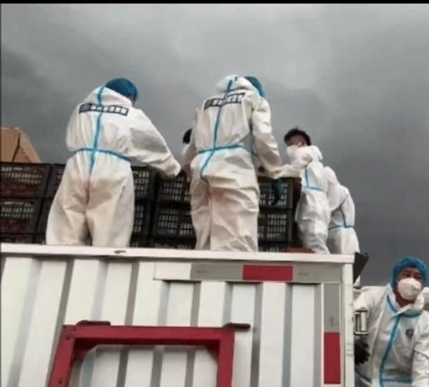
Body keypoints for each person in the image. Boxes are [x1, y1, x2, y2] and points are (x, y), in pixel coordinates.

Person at [46, 78, 181, 247]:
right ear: (129, 97)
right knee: (109, 230)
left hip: (78, 166)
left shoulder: (80, 110)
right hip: (112, 170)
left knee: (66, 226)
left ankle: (59, 260)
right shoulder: (132, 115)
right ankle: (105, 262)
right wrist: (172, 169)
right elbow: (153, 146)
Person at [183, 75, 285, 251]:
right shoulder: (253, 99)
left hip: (201, 168)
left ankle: (206, 268)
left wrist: (187, 169)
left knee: (205, 237)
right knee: (238, 239)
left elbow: (192, 145)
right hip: (233, 168)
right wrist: (275, 172)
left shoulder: (206, 103)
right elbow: (263, 137)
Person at [353, 256, 429, 387]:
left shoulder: (426, 326)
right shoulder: (373, 299)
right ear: (396, 276)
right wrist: (355, 340)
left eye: (418, 277)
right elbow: (358, 316)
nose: (412, 280)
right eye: (406, 274)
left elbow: (423, 373)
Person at [278, 127, 331, 253]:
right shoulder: (314, 162)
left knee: (314, 241)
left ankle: (324, 265)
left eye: (290, 144)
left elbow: (294, 170)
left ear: (301, 143)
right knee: (311, 241)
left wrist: (274, 171)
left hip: (313, 204)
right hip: (314, 203)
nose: (288, 149)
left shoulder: (304, 152)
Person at [323, 166, 360, 257]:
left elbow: (327, 210)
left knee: (344, 263)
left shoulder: (339, 190)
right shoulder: (332, 192)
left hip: (343, 237)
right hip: (335, 235)